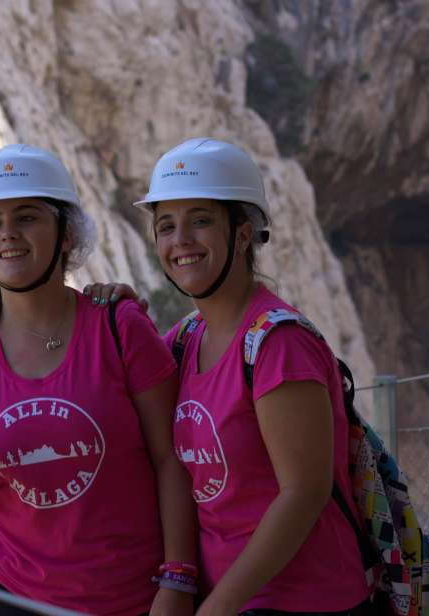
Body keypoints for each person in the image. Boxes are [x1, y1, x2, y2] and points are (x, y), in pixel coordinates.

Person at [90, 138, 373, 616]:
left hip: (302, 600)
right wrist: (118, 315)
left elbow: (304, 492)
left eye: (200, 220)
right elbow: (121, 409)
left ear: (243, 233)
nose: (180, 240)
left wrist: (217, 607)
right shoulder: (186, 337)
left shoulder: (278, 344)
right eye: (166, 226)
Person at [0, 144, 197, 616]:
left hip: (132, 596)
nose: (8, 234)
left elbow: (171, 459)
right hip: (11, 594)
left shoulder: (119, 326)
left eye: (27, 217)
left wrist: (178, 579)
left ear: (66, 234)